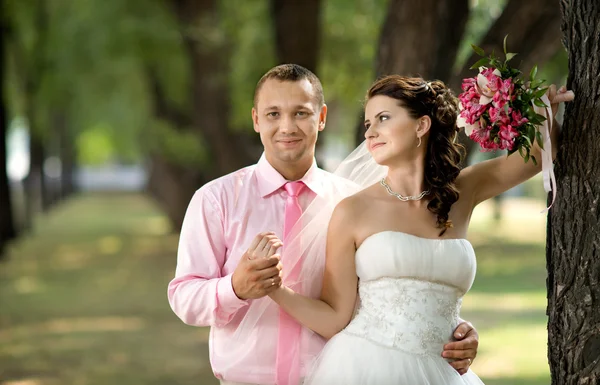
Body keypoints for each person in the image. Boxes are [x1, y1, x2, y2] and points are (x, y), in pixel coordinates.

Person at [167, 65, 480, 385]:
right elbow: (184, 298)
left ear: (321, 117)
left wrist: (448, 328)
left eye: (301, 113)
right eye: (273, 114)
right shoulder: (216, 199)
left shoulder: (357, 203)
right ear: (256, 119)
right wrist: (235, 287)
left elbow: (387, 290)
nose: (287, 126)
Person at [267, 75, 574, 384]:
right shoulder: (353, 211)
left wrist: (534, 105)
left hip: (444, 372)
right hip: (367, 367)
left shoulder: (463, 191)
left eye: (383, 118)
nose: (371, 132)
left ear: (421, 125)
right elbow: (334, 317)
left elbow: (537, 156)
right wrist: (274, 289)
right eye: (368, 123)